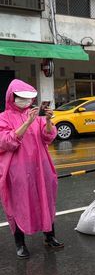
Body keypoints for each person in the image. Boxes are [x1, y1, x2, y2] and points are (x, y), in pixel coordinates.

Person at [0, 79, 63, 259]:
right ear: (12, 97)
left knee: (46, 199)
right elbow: (6, 142)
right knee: (18, 203)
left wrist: (49, 121)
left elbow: (48, 137)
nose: (26, 102)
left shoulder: (37, 115)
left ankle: (49, 236)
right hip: (17, 169)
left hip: (41, 167)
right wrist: (27, 122)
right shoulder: (3, 118)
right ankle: (19, 242)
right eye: (21, 98)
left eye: (29, 99)